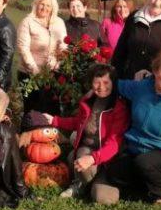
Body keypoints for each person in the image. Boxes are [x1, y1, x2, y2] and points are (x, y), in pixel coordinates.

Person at [92, 51, 161, 207]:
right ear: (155, 71)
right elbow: (118, 85)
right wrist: (100, 83)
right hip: (138, 150)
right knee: (115, 171)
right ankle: (154, 188)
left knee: (145, 162)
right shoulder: (142, 87)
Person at [35, 63, 128, 199]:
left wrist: (93, 159)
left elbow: (114, 144)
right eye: (97, 82)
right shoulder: (88, 101)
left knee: (105, 199)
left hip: (108, 158)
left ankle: (92, 180)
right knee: (83, 155)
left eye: (106, 82)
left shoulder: (119, 107)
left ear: (113, 83)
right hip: (86, 151)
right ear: (91, 83)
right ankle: (79, 183)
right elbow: (78, 122)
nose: (101, 87)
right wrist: (55, 121)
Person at [17, 0, 67, 129]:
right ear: (36, 4)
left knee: (51, 109)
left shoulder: (59, 23)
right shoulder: (27, 21)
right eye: (42, 4)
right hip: (30, 74)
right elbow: (23, 48)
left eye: (48, 6)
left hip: (52, 73)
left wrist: (58, 63)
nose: (44, 8)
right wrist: (35, 71)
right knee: (32, 110)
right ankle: (28, 140)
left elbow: (63, 46)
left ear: (53, 8)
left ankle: (51, 139)